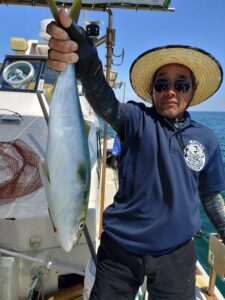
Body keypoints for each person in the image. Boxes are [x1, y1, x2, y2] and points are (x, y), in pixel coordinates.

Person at [47, 9, 225, 300]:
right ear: (152, 92)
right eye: (161, 84)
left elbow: (210, 195)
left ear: (191, 91)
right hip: (120, 251)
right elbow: (104, 100)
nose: (170, 91)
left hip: (177, 255)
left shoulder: (205, 138)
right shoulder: (135, 118)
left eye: (181, 85)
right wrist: (87, 59)